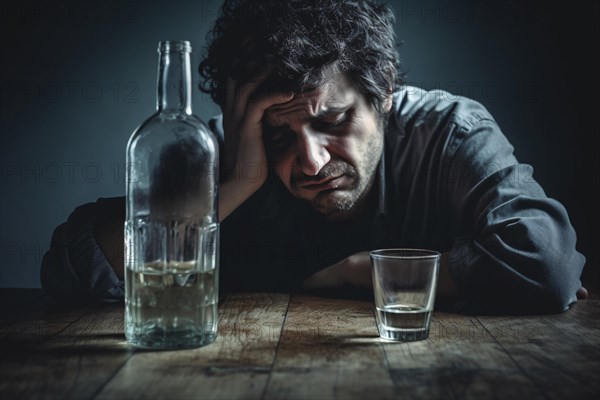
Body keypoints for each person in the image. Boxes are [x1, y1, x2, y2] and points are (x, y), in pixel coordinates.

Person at [41, 0, 586, 313]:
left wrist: (362, 274)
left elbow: (544, 263)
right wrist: (234, 183)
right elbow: (73, 268)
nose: (311, 162)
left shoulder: (448, 133)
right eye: (279, 137)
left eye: (331, 122)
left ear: (385, 95)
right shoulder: (227, 157)